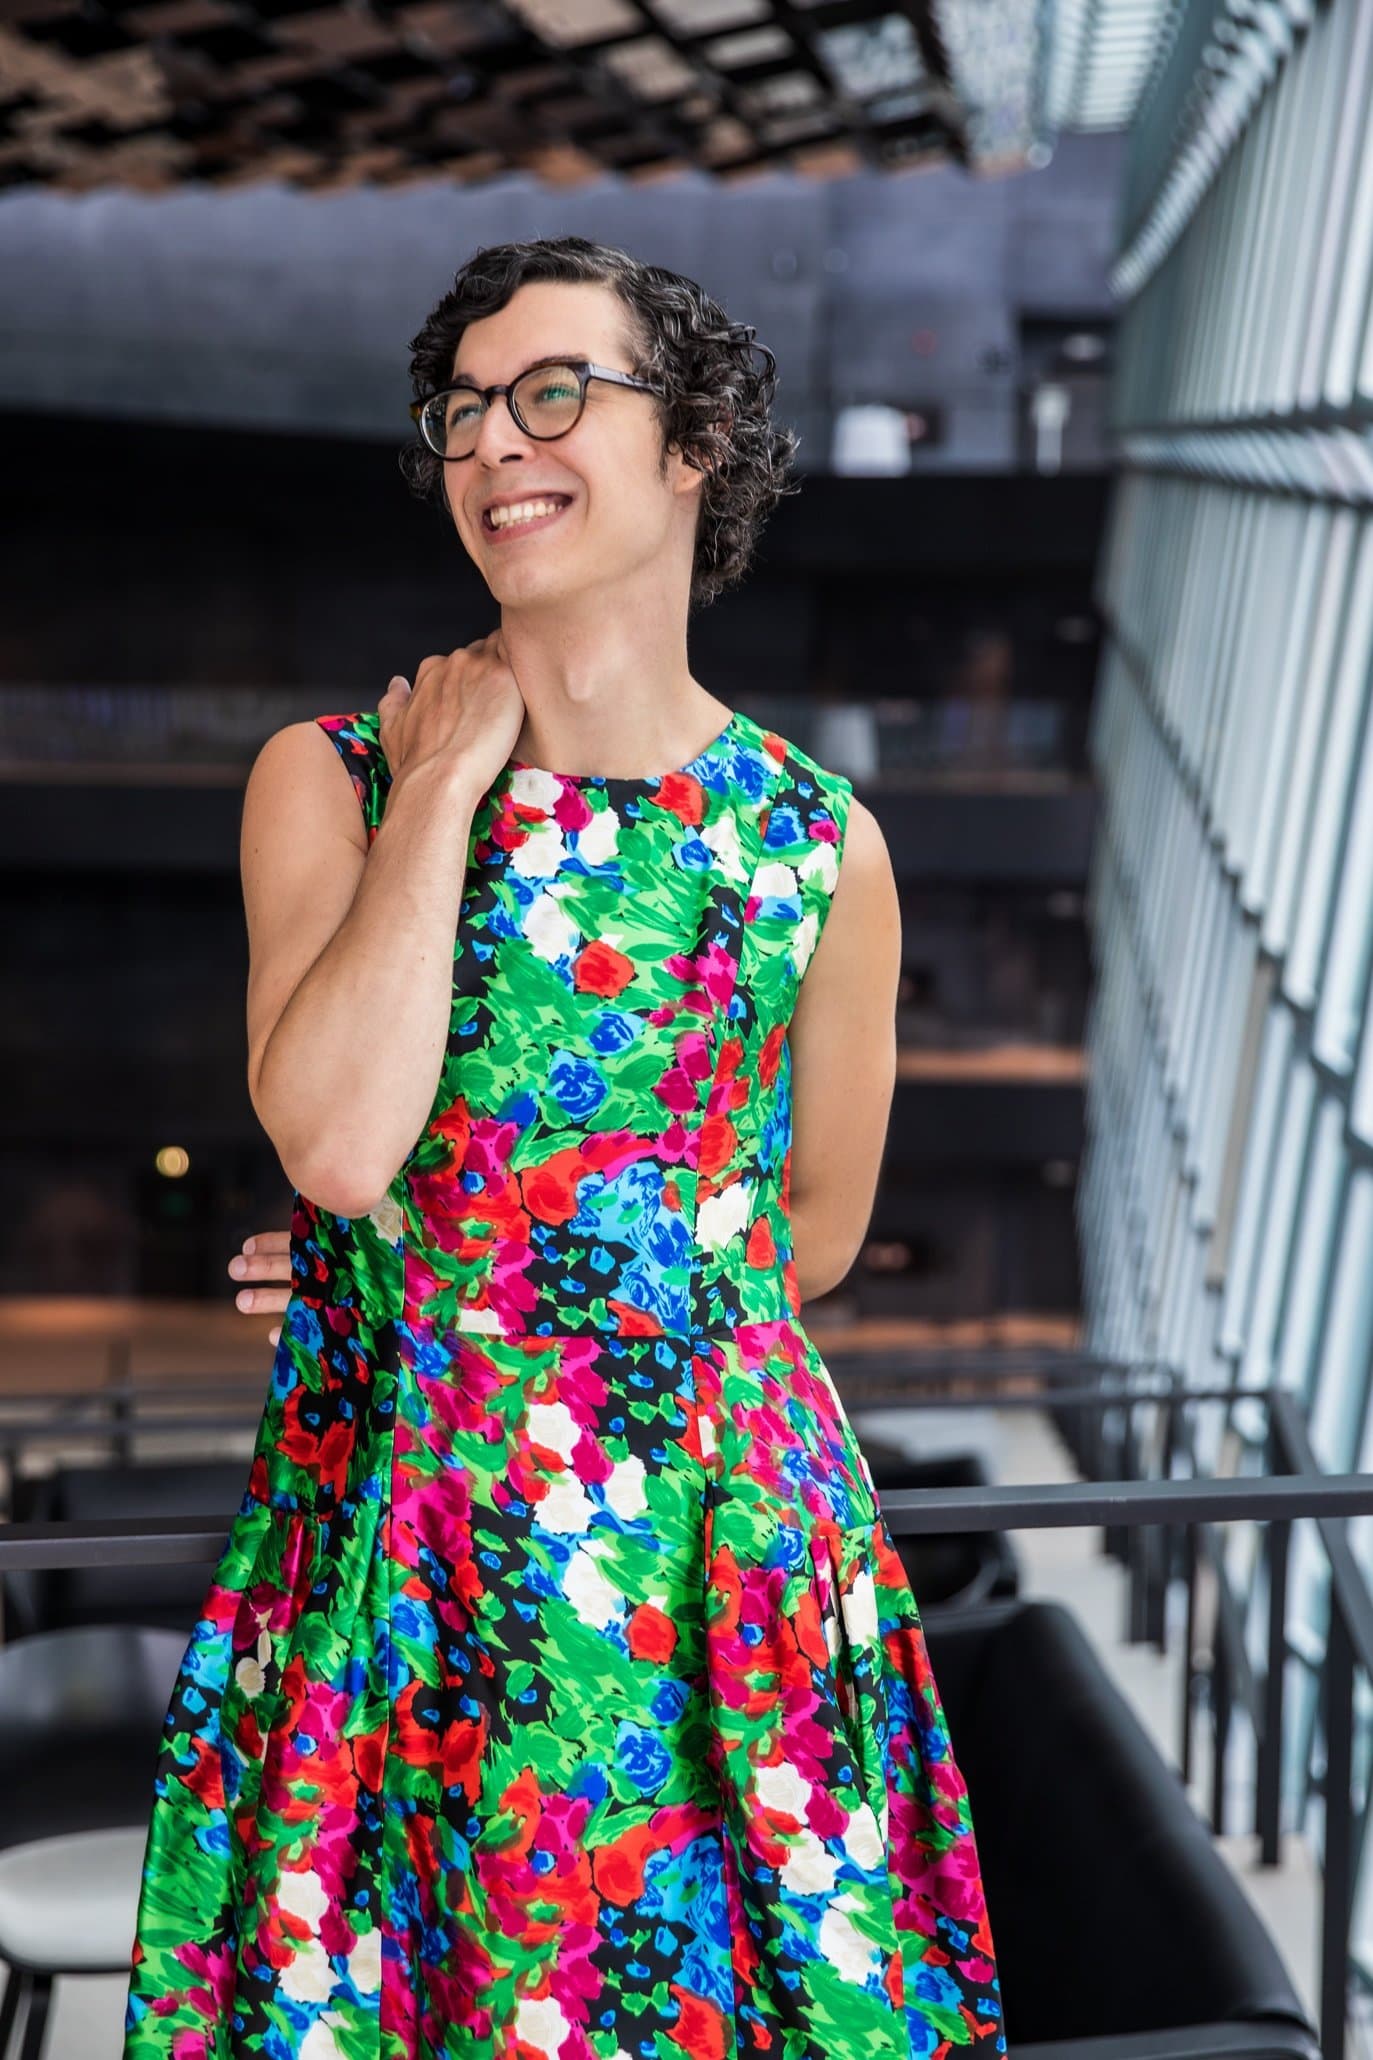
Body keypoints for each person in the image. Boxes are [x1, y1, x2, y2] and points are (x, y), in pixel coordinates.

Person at [122, 234, 1005, 2059]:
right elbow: (341, 1146)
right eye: (460, 413)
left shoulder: (817, 846)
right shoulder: (340, 779)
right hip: (410, 1546)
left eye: (550, 394)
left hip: (717, 1565)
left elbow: (811, 1235)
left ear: (693, 443)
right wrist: (450, 784)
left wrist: (522, 1260)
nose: (493, 446)